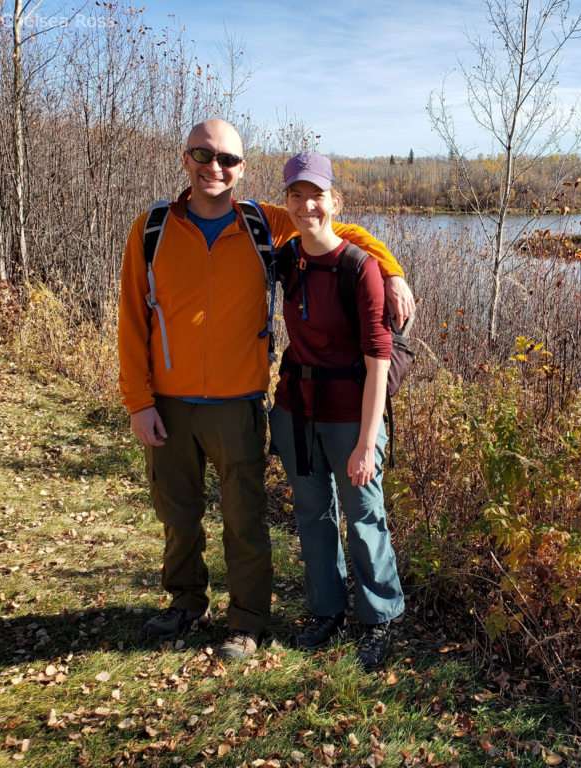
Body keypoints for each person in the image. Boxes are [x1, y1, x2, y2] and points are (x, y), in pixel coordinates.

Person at [118, 120, 413, 661]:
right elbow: (132, 319)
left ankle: (248, 621)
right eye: (202, 154)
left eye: (227, 159)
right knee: (177, 513)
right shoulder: (153, 229)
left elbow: (333, 232)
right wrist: (138, 401)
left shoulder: (261, 223)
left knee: (245, 518)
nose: (215, 167)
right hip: (170, 402)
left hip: (239, 403)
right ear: (185, 159)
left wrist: (390, 270)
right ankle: (186, 603)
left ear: (242, 169)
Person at [268, 151, 404, 670]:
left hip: (351, 416)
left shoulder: (360, 268)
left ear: (335, 201)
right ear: (287, 204)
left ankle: (379, 617)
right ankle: (327, 610)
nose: (307, 206)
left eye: (316, 195)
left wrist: (368, 443)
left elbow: (377, 363)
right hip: (295, 411)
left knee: (364, 515)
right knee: (312, 514)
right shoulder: (285, 259)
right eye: (296, 196)